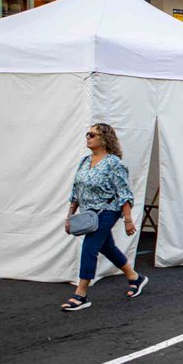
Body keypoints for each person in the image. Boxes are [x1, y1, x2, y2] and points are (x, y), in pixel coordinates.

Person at [60, 123, 148, 312]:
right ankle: (134, 277)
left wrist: (127, 219)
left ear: (104, 139)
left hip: (108, 210)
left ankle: (81, 294)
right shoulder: (84, 161)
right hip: (89, 213)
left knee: (90, 246)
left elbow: (124, 193)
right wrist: (69, 216)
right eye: (87, 134)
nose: (88, 137)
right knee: (106, 247)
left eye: (92, 134)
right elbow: (75, 191)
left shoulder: (113, 163)